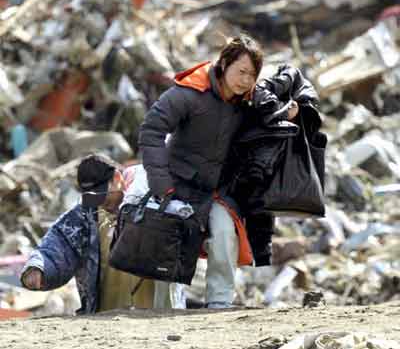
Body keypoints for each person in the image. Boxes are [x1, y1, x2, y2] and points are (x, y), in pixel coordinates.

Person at [139, 34, 299, 309]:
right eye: (241, 71)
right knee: (170, 240)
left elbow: (268, 118)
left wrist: (286, 114)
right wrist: (161, 183)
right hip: (176, 185)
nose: (246, 80)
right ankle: (164, 309)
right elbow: (151, 130)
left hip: (216, 191)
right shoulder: (189, 93)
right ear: (224, 64)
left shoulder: (248, 102)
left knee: (225, 233)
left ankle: (220, 304)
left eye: (252, 74)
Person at [20, 153, 178, 314]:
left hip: (158, 316)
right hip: (105, 320)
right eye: (93, 198)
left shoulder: (156, 198)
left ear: (117, 178)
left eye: (104, 196)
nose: (101, 204)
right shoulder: (85, 215)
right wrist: (39, 268)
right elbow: (59, 244)